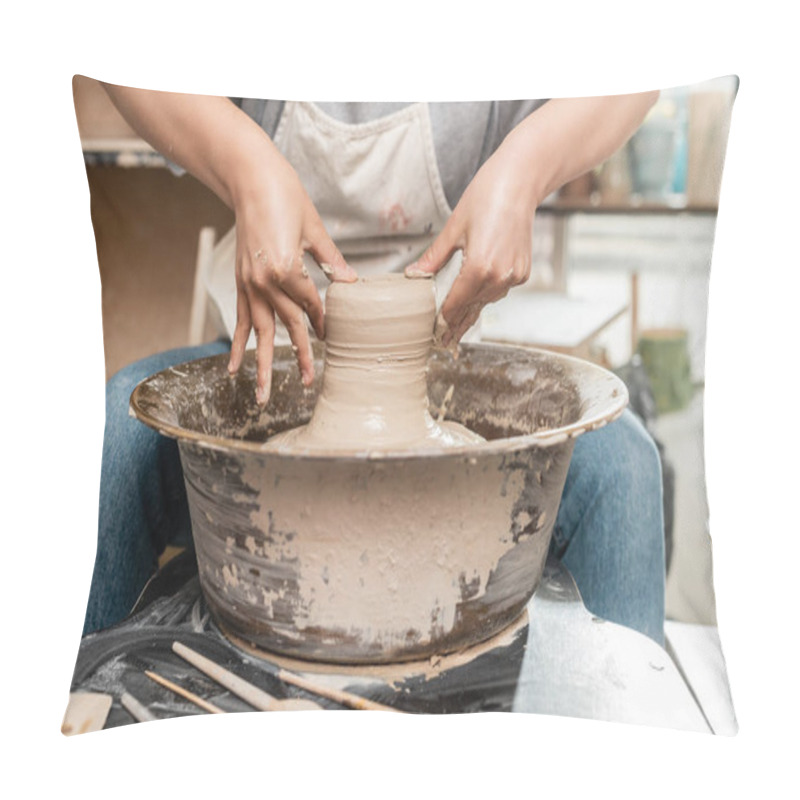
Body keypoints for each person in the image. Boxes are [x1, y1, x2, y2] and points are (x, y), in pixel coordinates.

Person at [83, 86, 666, 645]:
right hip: (273, 342)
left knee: (624, 468)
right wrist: (242, 161)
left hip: (442, 349)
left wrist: (528, 164)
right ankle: (79, 703)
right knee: (116, 426)